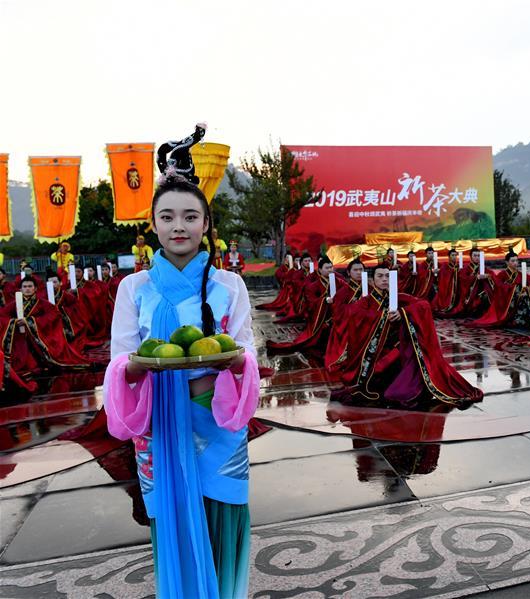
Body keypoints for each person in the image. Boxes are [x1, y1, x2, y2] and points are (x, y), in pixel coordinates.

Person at [103, 167, 259, 598]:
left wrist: (225, 368)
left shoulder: (231, 285)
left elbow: (246, 350)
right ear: (152, 224)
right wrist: (139, 370)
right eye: (167, 216)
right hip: (161, 425)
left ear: (206, 225)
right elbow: (120, 360)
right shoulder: (133, 288)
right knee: (171, 518)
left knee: (222, 515)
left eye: (191, 217)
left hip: (217, 418)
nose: (179, 226)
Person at [327, 263, 483, 408]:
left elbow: (423, 305)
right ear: (372, 281)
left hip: (396, 351)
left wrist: (403, 313)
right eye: (380, 276)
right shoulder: (365, 302)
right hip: (375, 354)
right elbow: (355, 315)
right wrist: (382, 316)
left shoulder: (397, 298)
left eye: (387, 276)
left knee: (416, 353)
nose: (384, 280)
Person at [0, 276, 92, 379]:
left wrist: (30, 322)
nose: (27, 289)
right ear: (20, 289)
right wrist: (13, 322)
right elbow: (2, 315)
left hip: (39, 340)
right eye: (24, 287)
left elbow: (53, 314)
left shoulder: (43, 303)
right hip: (21, 340)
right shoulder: (14, 304)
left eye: (30, 286)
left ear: (35, 289)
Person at [266, 257, 342, 356]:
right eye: (327, 268)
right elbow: (311, 302)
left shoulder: (339, 281)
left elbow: (345, 293)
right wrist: (325, 300)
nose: (330, 270)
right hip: (320, 316)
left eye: (331, 267)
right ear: (319, 270)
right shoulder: (312, 283)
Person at [468, 251, 530, 331]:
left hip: (519, 297)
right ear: (507, 262)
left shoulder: (521, 275)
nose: (515, 263)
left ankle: (527, 320)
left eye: (516, 261)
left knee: (527, 296)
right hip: (505, 301)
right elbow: (499, 287)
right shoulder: (502, 275)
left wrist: (528, 289)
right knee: (522, 296)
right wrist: (516, 289)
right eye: (513, 261)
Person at [431, 248, 462, 315]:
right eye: (452, 255)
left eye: (455, 255)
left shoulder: (459, 266)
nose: (454, 257)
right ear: (449, 256)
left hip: (457, 288)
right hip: (447, 288)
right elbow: (442, 275)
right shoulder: (445, 265)